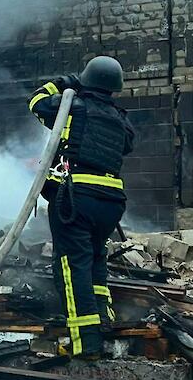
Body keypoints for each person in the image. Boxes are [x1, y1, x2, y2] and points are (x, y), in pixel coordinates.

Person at [27, 56, 135, 359]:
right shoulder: (121, 119)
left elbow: (35, 101)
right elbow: (126, 146)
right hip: (112, 202)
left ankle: (85, 343)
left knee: (72, 268)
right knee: (94, 260)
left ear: (85, 79)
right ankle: (103, 320)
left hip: (77, 199)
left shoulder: (69, 105)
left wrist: (64, 82)